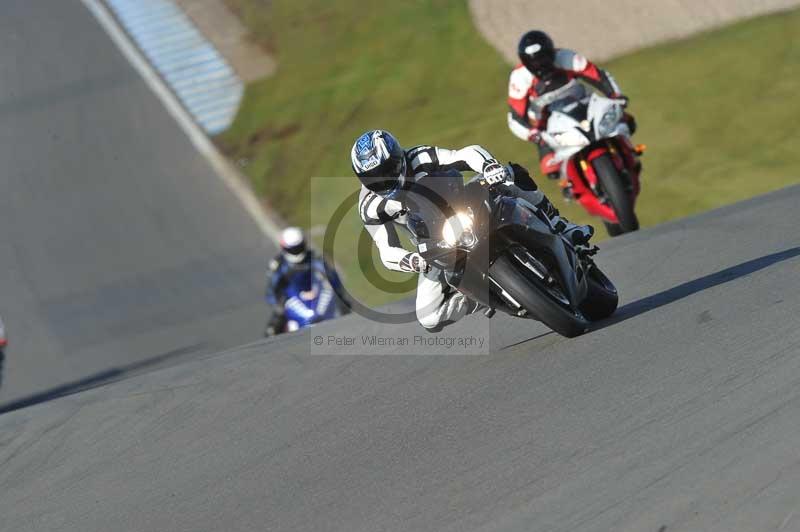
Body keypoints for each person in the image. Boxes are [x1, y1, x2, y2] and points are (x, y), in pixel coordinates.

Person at [351, 129, 593, 332]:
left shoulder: (418, 157)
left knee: (510, 175)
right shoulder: (371, 207)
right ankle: (477, 297)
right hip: (433, 242)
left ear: (398, 158)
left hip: (464, 201)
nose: (383, 181)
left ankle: (562, 226)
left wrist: (488, 166)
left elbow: (466, 154)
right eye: (374, 179)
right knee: (429, 318)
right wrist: (410, 260)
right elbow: (386, 250)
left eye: (387, 170)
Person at [507, 30, 637, 180]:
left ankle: (628, 151)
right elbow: (516, 115)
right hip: (547, 120)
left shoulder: (567, 58)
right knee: (550, 169)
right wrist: (532, 133)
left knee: (627, 121)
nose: (540, 65)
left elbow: (598, 76)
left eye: (543, 58)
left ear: (551, 52)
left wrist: (616, 96)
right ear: (525, 62)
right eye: (534, 62)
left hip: (582, 101)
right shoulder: (519, 77)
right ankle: (568, 182)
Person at [264, 227, 348, 336]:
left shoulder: (314, 258)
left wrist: (335, 290)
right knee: (272, 328)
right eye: (293, 249)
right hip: (292, 297)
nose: (296, 251)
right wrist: (278, 302)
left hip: (317, 295)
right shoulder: (278, 264)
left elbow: (332, 278)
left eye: (298, 247)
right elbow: (272, 288)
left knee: (344, 308)